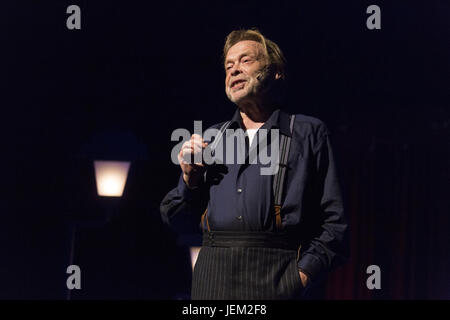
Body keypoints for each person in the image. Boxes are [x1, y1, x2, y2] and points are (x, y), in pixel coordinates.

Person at [160, 29, 349, 300]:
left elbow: (335, 225)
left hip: (277, 276)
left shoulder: (307, 132)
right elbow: (176, 220)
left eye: (245, 61)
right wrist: (190, 181)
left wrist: (299, 278)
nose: (234, 70)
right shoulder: (212, 139)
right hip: (212, 282)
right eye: (228, 66)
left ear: (276, 73)